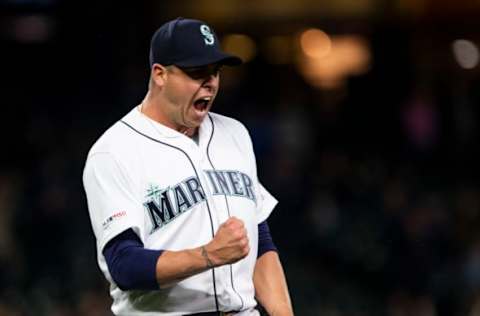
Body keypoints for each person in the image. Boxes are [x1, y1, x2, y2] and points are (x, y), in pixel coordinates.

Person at [83, 17, 293, 316]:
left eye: (215, 71)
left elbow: (259, 240)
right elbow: (124, 266)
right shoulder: (114, 151)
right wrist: (207, 255)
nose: (211, 82)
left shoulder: (234, 134)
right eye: (197, 72)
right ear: (160, 74)